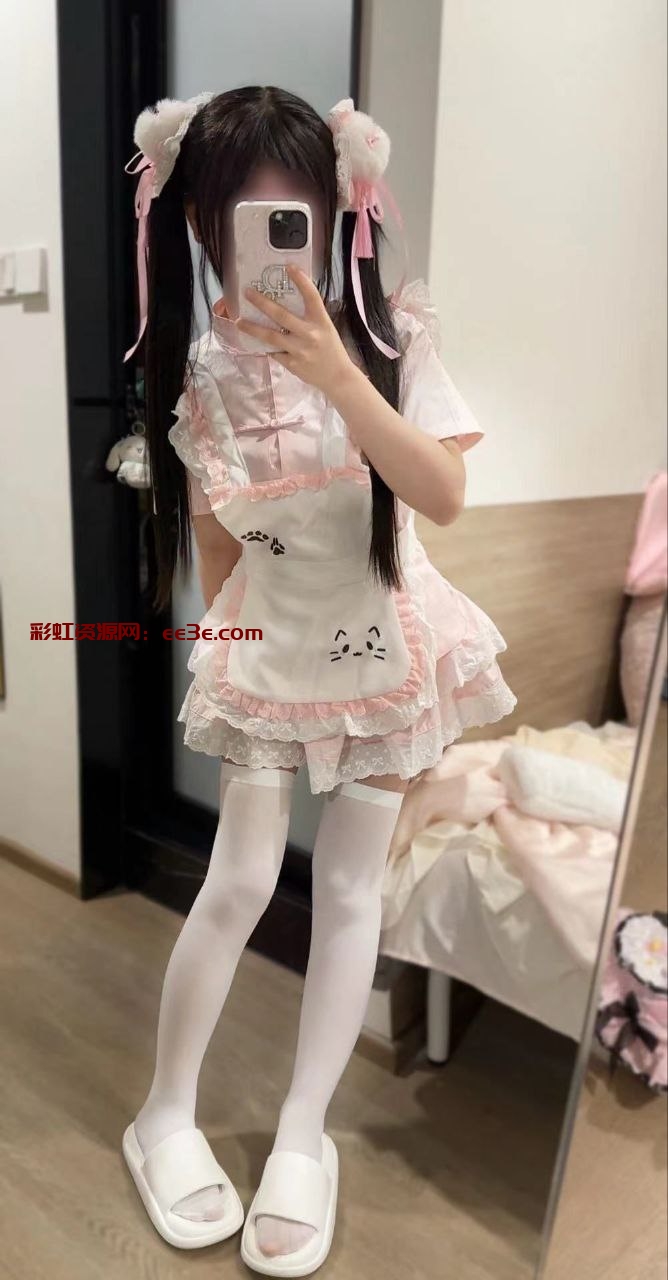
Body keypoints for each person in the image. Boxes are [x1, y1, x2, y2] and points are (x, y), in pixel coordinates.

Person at [120, 85, 517, 1276]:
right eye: (235, 218)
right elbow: (217, 543)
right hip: (270, 637)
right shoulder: (202, 370)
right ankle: (163, 1112)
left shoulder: (391, 337)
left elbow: (442, 494)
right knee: (239, 878)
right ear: (200, 227)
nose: (264, 243)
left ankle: (303, 1132)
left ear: (336, 209)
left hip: (387, 638)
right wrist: (231, 655)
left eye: (287, 213)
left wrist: (343, 375)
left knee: (348, 893)